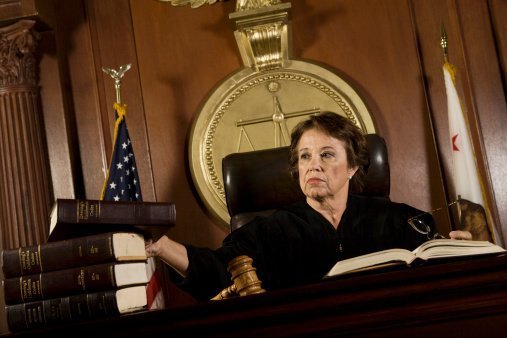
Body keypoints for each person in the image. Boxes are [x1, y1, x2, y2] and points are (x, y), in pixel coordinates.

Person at [146, 112, 472, 301]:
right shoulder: (269, 231)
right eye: (305, 157)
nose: (313, 165)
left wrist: (457, 256)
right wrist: (162, 247)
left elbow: (436, 271)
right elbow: (214, 270)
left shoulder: (400, 220)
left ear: (353, 167)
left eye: (327, 155)